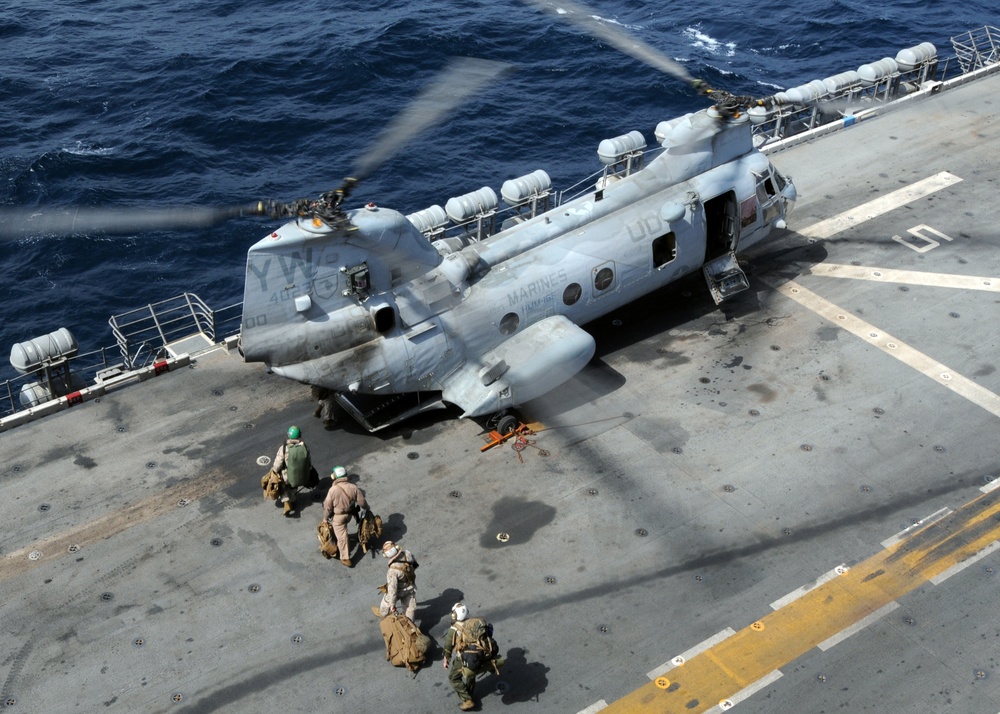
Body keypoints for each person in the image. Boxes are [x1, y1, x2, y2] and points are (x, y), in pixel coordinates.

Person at [442, 603, 502, 711]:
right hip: (476, 656)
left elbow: (447, 647)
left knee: (453, 678)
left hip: (463, 658)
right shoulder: (472, 623)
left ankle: (467, 699)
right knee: (471, 675)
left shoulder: (453, 629)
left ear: (454, 615)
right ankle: (469, 693)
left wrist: (446, 659)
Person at [322, 466, 368, 567]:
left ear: (334, 476)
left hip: (338, 518)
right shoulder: (353, 487)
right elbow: (362, 502)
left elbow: (327, 507)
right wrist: (367, 509)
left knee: (342, 537)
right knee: (342, 531)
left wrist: (325, 518)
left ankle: (345, 558)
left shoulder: (333, 490)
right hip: (349, 515)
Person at [272, 426, 312, 517]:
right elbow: (308, 460)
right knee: (293, 489)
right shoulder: (303, 446)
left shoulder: (284, 448)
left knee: (284, 489)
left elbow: (278, 463)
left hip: (286, 475)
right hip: (298, 474)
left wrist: (275, 470)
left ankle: (286, 503)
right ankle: (292, 501)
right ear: (299, 435)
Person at [373, 541, 418, 620]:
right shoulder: (407, 553)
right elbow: (415, 565)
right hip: (410, 588)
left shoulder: (392, 571)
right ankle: (410, 625)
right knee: (410, 610)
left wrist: (392, 604)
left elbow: (392, 589)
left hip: (399, 591)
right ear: (396, 547)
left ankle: (383, 614)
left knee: (385, 604)